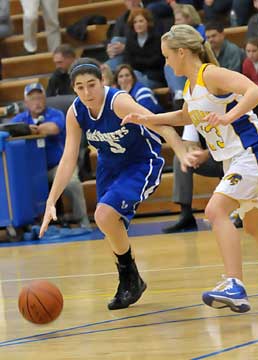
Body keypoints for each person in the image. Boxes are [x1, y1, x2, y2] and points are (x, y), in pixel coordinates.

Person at [122, 24, 258, 313]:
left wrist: (230, 116)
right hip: (234, 159)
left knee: (214, 211)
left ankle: (235, 284)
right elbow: (186, 116)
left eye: (167, 56)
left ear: (181, 52)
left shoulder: (210, 73)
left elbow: (255, 91)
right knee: (255, 225)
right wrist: (146, 119)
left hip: (253, 151)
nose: (166, 62)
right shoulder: (190, 85)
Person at [39, 58, 184, 310]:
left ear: (102, 81)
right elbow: (68, 157)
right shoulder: (75, 112)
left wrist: (181, 152)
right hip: (109, 168)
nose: (87, 92)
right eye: (80, 87)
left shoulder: (119, 102)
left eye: (92, 85)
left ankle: (129, 277)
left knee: (104, 214)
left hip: (140, 162)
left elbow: (159, 122)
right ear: (74, 88)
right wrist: (51, 200)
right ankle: (131, 278)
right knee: (107, 222)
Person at [10, 82, 90, 229]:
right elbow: (9, 131)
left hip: (57, 166)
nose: (37, 102)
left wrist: (33, 130)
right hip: (32, 171)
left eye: (40, 98)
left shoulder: (56, 114)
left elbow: (54, 128)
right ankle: (26, 224)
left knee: (72, 184)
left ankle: (82, 219)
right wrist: (26, 129)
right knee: (15, 184)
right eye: (33, 99)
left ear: (45, 99)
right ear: (26, 102)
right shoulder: (20, 119)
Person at [162, 124, 223, 233]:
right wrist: (192, 150)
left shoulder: (225, 110)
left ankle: (242, 212)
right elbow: (189, 141)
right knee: (182, 158)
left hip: (237, 158)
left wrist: (207, 154)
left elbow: (235, 145)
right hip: (215, 159)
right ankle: (186, 215)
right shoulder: (193, 112)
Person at [124, 8, 165, 88]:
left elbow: (157, 61)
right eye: (135, 22)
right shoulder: (130, 41)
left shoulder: (157, 39)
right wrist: (147, 62)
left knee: (137, 82)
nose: (138, 24)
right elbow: (129, 61)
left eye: (141, 21)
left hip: (154, 78)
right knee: (134, 75)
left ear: (148, 22)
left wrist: (138, 61)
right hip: (137, 75)